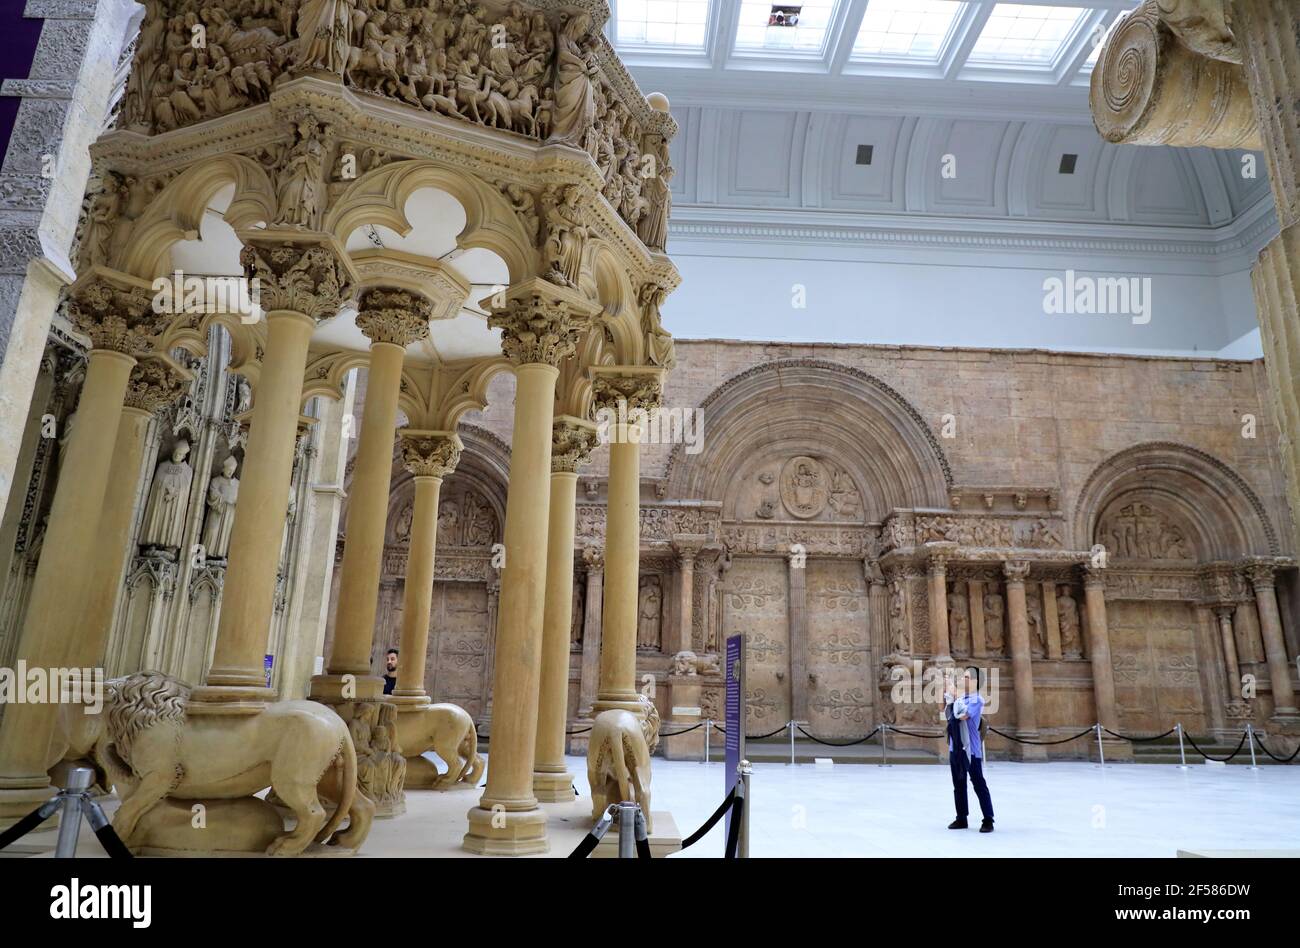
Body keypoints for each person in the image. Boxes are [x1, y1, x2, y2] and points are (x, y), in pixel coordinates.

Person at [944, 667, 994, 833]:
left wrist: (955, 696)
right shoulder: (961, 696)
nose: (962, 679)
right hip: (955, 746)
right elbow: (944, 710)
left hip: (971, 749)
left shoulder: (976, 700)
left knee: (978, 783)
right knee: (958, 784)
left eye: (965, 677)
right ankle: (961, 817)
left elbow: (962, 715)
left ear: (974, 681)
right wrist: (945, 690)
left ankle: (988, 819)